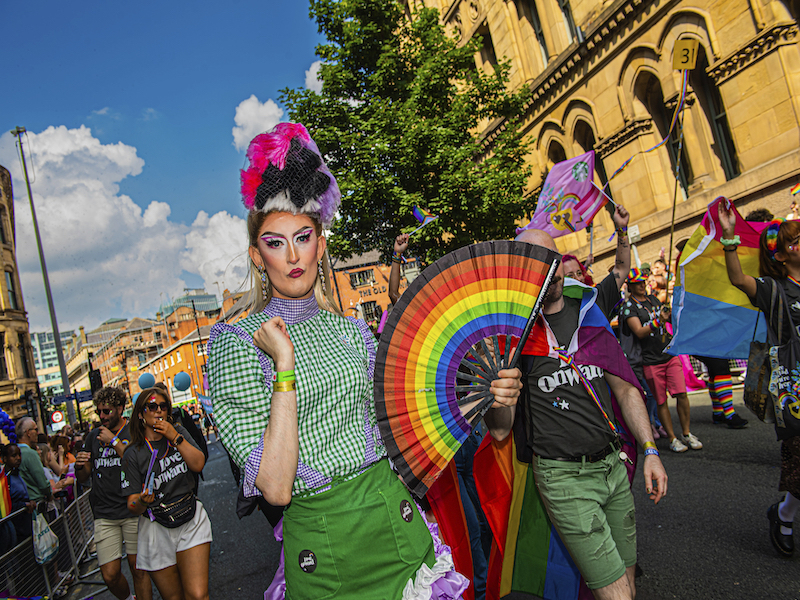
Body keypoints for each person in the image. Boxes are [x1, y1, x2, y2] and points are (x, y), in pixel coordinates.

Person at [208, 122, 522, 598]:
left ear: (321, 244)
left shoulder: (353, 330)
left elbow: (419, 427)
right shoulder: (236, 342)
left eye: (304, 237)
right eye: (275, 242)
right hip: (327, 553)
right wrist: (284, 369)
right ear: (257, 255)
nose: (292, 255)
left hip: (399, 526)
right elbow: (274, 487)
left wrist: (496, 399)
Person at [488, 228, 667, 600]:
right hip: (563, 479)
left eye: (553, 260)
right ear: (523, 270)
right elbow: (501, 433)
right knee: (616, 594)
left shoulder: (590, 310)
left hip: (613, 468)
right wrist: (498, 400)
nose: (550, 271)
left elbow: (626, 387)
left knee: (629, 584)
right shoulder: (513, 337)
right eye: (538, 263)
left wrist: (650, 449)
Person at [718, 204, 800, 556]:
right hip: (794, 388)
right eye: (797, 241)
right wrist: (729, 238)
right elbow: (738, 279)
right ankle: (783, 515)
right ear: (781, 255)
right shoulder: (774, 289)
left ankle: (785, 513)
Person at [124, 386, 211, 600]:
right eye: (152, 406)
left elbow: (199, 464)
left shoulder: (178, 433)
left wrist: (175, 437)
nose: (159, 411)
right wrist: (142, 501)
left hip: (190, 517)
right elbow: (131, 505)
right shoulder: (132, 453)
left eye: (163, 407)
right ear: (141, 414)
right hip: (156, 527)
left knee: (198, 594)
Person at [75, 386, 152, 600]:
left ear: (120, 408)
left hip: (132, 509)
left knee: (139, 569)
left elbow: (137, 462)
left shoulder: (134, 430)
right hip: (105, 513)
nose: (102, 416)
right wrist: (80, 466)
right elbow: (84, 477)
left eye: (107, 411)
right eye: (99, 411)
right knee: (109, 575)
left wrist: (114, 441)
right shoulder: (93, 436)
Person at [622, 269, 703, 453]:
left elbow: (666, 318)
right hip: (650, 360)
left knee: (682, 394)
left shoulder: (653, 300)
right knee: (661, 401)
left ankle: (687, 433)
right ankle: (673, 438)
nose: (643, 285)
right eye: (638, 283)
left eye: (644, 281)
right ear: (631, 286)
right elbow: (639, 332)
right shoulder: (629, 308)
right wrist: (658, 320)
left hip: (669, 355)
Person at [559, 205, 631, 318]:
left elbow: (622, 269)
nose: (578, 279)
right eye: (570, 276)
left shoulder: (597, 298)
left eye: (579, 273)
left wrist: (622, 230)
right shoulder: (558, 317)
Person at [13, 417, 51, 506]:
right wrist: (49, 494)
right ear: (28, 433)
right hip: (37, 503)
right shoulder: (31, 454)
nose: (37, 433)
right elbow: (42, 483)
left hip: (24, 503)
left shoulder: (14, 453)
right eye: (35, 429)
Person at [3, 444, 36, 543]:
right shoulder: (5, 479)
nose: (18, 458)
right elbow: (6, 505)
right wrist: (23, 505)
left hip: (26, 523)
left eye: (19, 455)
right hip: (16, 526)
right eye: (14, 456)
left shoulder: (17, 473)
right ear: (5, 459)